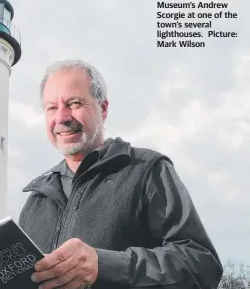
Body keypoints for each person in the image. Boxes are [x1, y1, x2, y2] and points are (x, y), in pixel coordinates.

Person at [18, 60, 223, 289]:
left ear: (103, 109)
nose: (62, 118)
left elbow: (202, 265)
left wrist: (105, 265)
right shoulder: (36, 200)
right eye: (52, 108)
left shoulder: (146, 169)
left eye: (74, 103)